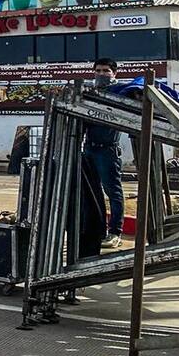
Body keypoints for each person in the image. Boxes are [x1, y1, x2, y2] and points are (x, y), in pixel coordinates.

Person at [82, 58, 125, 250]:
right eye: (98, 70)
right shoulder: (90, 92)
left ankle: (115, 232)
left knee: (113, 192)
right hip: (89, 148)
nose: (101, 74)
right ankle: (97, 231)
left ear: (114, 73)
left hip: (107, 150)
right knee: (92, 192)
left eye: (106, 71)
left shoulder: (119, 92)